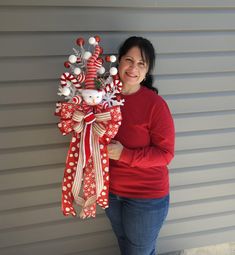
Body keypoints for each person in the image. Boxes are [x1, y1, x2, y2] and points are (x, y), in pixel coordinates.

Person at [106, 36, 175, 255]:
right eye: (129, 60)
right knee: (128, 247)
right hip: (112, 193)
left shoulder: (155, 105)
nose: (133, 68)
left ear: (147, 72)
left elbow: (165, 154)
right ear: (119, 62)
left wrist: (124, 154)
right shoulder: (103, 97)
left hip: (146, 198)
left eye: (141, 63)